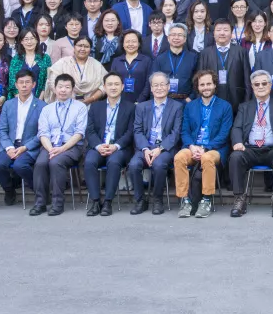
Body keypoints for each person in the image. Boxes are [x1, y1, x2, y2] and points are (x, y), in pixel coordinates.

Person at [229, 70, 273, 217]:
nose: (261, 86)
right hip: (250, 149)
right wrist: (238, 142)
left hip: (272, 149)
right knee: (235, 157)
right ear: (252, 87)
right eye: (256, 84)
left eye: (264, 83)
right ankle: (239, 198)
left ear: (270, 85)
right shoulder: (244, 107)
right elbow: (236, 127)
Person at [175, 70, 233, 218]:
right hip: (193, 147)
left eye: (209, 84)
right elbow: (185, 131)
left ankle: (206, 200)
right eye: (202, 85)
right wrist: (191, 146)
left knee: (207, 158)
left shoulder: (225, 106)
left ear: (215, 85)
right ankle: (185, 200)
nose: (206, 87)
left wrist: (205, 148)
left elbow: (224, 134)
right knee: (179, 157)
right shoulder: (190, 106)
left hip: (215, 148)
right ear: (197, 87)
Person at [31, 73, 87, 217]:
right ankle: (40, 203)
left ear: (72, 89)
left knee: (56, 162)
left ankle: (58, 203)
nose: (63, 90)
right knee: (40, 163)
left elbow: (79, 133)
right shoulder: (47, 109)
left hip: (71, 147)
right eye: (60, 86)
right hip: (50, 146)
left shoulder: (80, 107)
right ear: (54, 89)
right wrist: (51, 149)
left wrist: (62, 149)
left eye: (67, 87)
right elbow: (43, 133)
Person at [128, 73, 184, 215]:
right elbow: (137, 130)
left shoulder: (177, 107)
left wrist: (160, 148)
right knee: (133, 165)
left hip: (165, 148)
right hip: (145, 147)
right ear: (151, 88)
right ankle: (140, 200)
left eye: (162, 84)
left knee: (159, 165)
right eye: (155, 85)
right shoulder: (141, 107)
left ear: (168, 87)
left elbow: (175, 133)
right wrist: (145, 148)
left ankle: (158, 199)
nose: (159, 88)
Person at [83, 72, 136, 216]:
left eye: (117, 84)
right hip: (98, 146)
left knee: (113, 162)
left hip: (119, 148)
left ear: (122, 87)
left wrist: (116, 146)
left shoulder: (131, 107)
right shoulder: (95, 107)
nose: (113, 87)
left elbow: (130, 132)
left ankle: (107, 202)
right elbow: (90, 130)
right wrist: (98, 146)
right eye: (110, 84)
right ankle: (95, 201)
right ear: (104, 87)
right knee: (89, 161)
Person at [0, 69, 45, 206]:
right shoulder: (8, 104)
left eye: (27, 82)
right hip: (10, 145)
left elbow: (42, 133)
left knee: (20, 165)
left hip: (29, 146)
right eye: (21, 82)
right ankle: (9, 190)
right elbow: (2, 130)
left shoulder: (42, 106)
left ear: (33, 84)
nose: (24, 85)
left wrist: (25, 147)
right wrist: (9, 147)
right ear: (16, 85)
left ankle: (40, 191)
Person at [198, 19, 249, 114]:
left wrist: (246, 104)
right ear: (213, 33)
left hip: (236, 100)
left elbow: (247, 80)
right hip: (211, 99)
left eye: (226, 30)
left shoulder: (241, 51)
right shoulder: (205, 53)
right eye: (218, 30)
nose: (222, 33)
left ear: (231, 33)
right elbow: (199, 79)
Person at [44, 36, 106, 105]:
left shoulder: (97, 65)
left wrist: (91, 99)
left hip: (90, 104)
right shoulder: (63, 63)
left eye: (86, 46)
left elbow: (105, 86)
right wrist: (66, 97)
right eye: (80, 46)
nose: (82, 49)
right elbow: (51, 82)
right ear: (74, 47)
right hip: (64, 103)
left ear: (90, 49)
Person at [146, 23, 198, 102]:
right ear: (168, 38)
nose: (176, 37)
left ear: (185, 39)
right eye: (173, 35)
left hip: (186, 101)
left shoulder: (193, 57)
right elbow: (153, 81)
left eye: (180, 35)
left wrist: (191, 98)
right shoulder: (160, 59)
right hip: (164, 100)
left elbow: (197, 79)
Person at [110, 30, 150, 104]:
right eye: (127, 41)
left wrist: (140, 100)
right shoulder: (116, 61)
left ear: (139, 43)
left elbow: (148, 83)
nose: (130, 44)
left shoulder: (146, 60)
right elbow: (112, 82)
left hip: (141, 103)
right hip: (120, 102)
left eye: (134, 41)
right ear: (123, 44)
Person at [7, 29, 50, 99]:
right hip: (18, 99)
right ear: (21, 41)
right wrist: (22, 100)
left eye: (32, 38)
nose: (29, 42)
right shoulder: (16, 59)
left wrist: (38, 100)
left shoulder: (45, 58)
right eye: (26, 39)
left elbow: (47, 80)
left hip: (40, 98)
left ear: (37, 40)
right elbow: (12, 81)